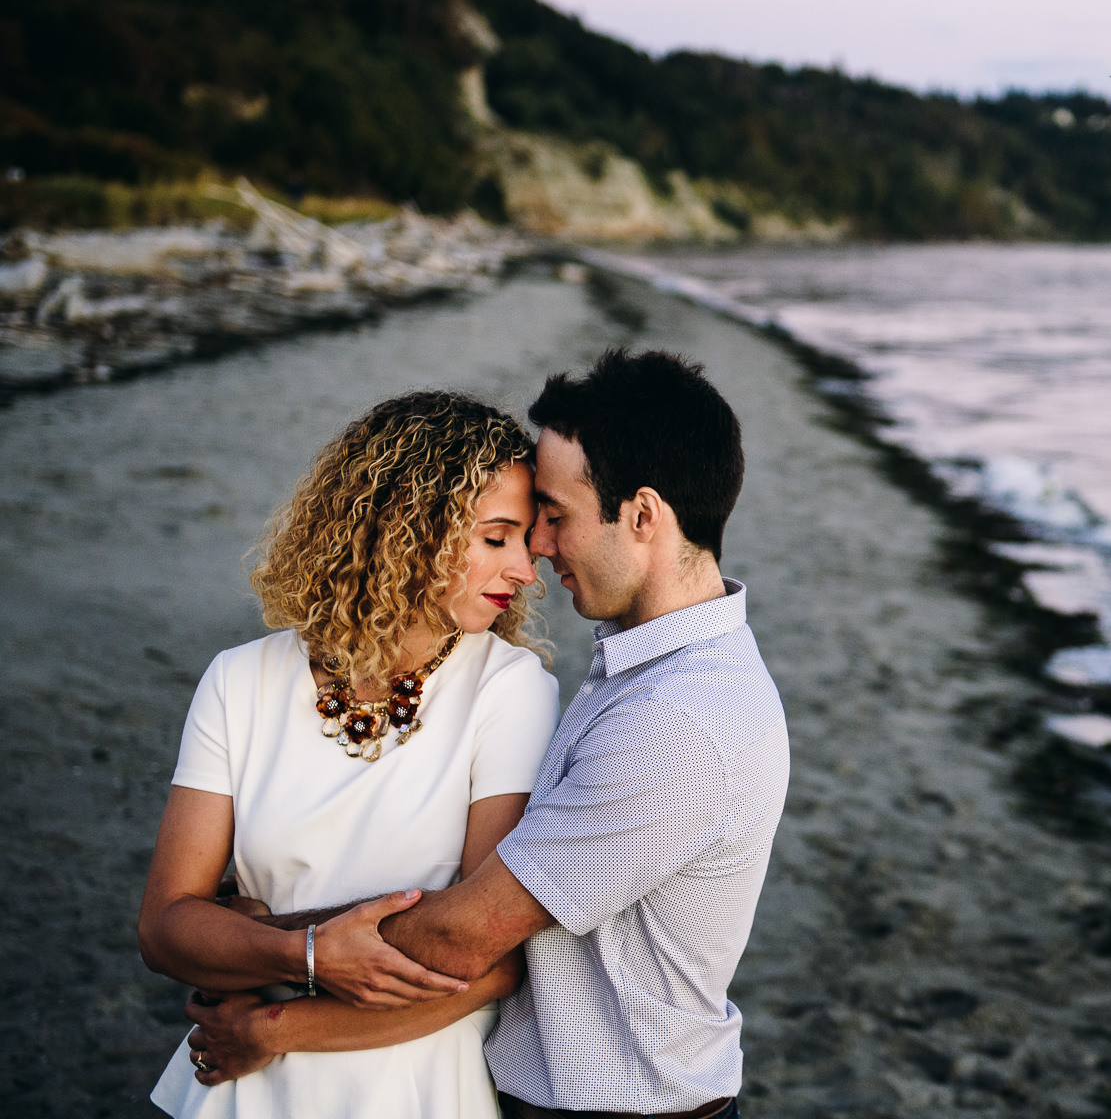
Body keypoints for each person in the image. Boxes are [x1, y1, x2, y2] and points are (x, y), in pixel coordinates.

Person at [185, 348, 790, 1119]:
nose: (539, 547)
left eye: (556, 516)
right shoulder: (651, 671)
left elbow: (466, 941)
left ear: (642, 516)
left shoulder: (680, 718)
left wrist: (259, 947)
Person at [138, 391, 561, 1117]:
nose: (526, 569)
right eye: (497, 539)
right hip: (236, 1093)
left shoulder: (511, 690)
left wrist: (266, 997)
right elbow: (165, 929)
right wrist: (304, 955)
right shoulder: (241, 681)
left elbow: (492, 960)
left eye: (527, 540)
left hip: (415, 1087)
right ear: (409, 530)